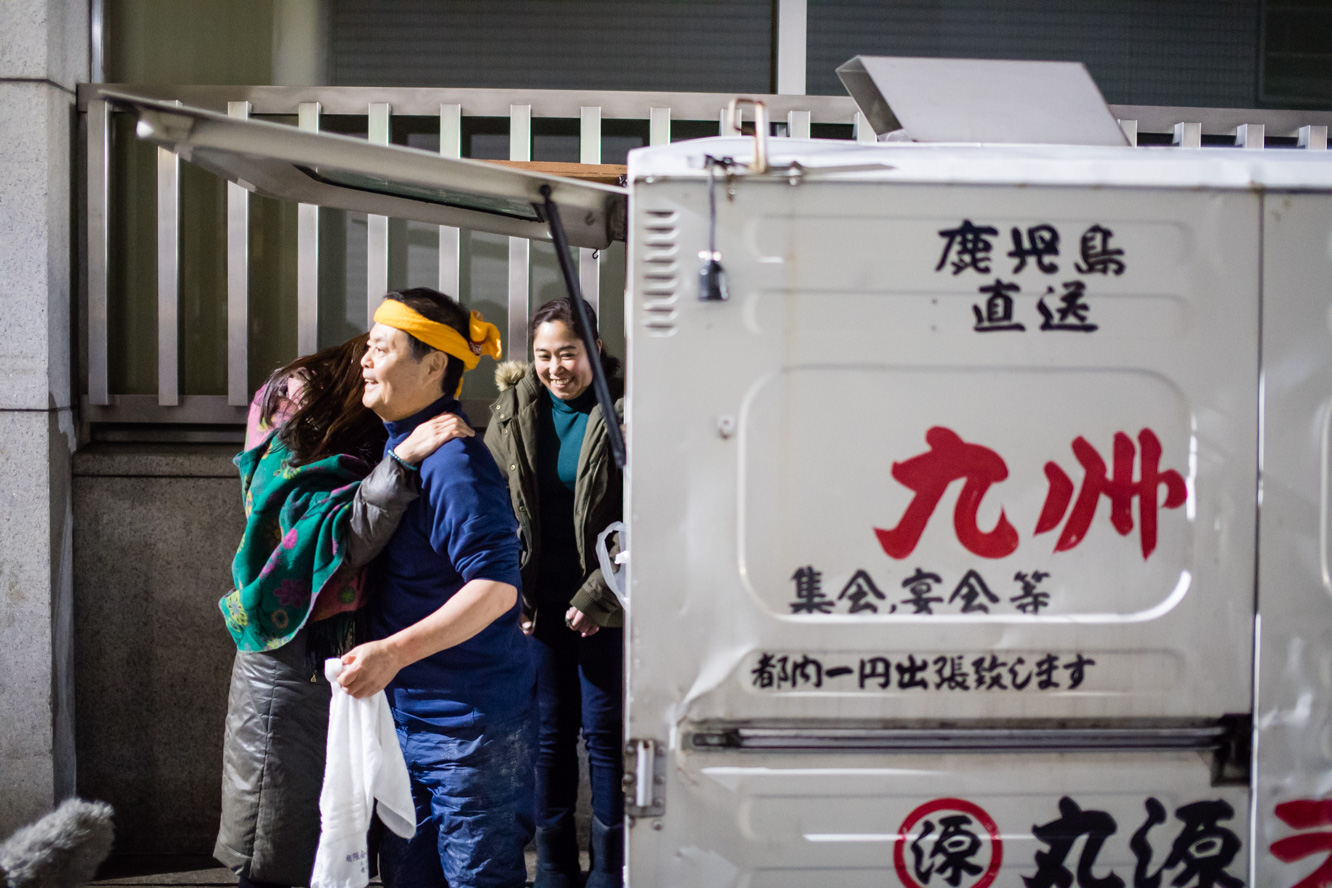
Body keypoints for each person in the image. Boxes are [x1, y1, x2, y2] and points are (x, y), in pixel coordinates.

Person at [215, 334, 473, 888]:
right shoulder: (302, 440)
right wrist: (400, 461)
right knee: (274, 844)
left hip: (333, 661)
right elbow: (332, 541)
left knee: (329, 844)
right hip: (289, 669)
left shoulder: (332, 434)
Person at [333, 288, 536, 888]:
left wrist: (392, 653)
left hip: (468, 728)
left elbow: (497, 588)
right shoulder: (401, 444)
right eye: (367, 349)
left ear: (433, 365)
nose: (364, 362)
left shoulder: (454, 463)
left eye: (382, 349)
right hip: (409, 716)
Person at [485, 297, 625, 888]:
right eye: (543, 355)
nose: (555, 367)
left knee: (606, 738)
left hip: (610, 605)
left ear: (594, 349)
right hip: (536, 607)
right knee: (547, 740)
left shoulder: (624, 412)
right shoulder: (513, 412)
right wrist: (510, 592)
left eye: (568, 352)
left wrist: (598, 598)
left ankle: (611, 871)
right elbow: (492, 507)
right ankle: (556, 872)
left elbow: (655, 510)